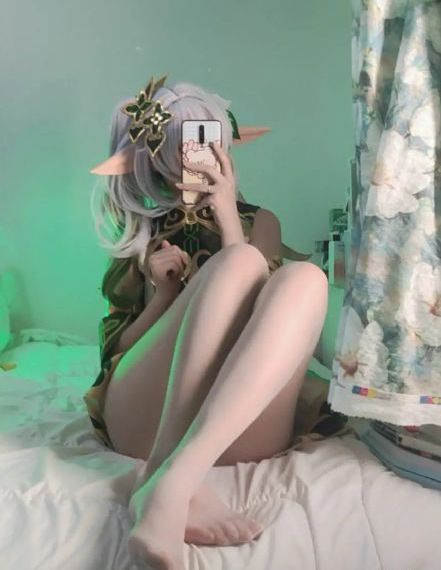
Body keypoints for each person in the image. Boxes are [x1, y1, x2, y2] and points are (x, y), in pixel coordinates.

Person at [84, 75, 331, 570]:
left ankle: (173, 481)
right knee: (239, 263)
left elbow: (258, 317)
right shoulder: (144, 232)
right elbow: (118, 352)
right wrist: (163, 296)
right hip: (149, 422)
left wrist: (227, 217)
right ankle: (169, 472)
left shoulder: (260, 221)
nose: (190, 164)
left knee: (305, 278)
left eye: (203, 143)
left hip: (238, 425)